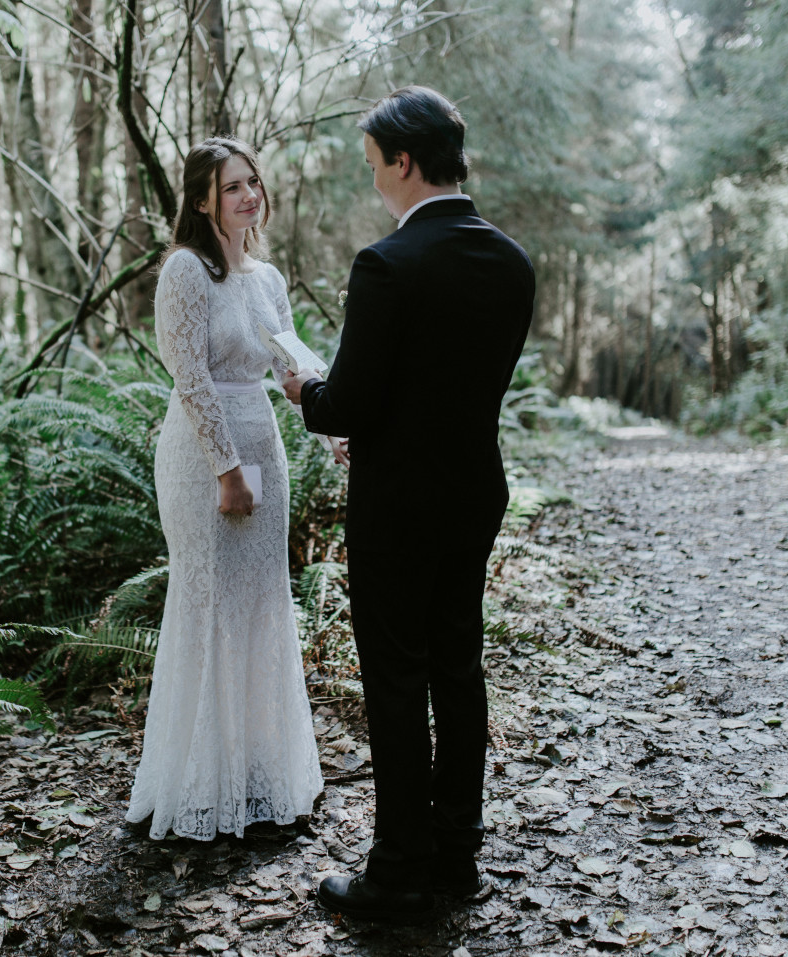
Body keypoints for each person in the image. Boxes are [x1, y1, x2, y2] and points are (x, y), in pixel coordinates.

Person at [281, 86, 535, 921]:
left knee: (395, 677)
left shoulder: (387, 263)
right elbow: (453, 388)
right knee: (458, 668)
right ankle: (456, 856)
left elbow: (348, 402)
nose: (373, 183)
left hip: (396, 504)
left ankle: (395, 870)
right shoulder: (509, 261)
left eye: (373, 166)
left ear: (403, 160)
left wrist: (304, 390)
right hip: (472, 492)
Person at [126, 136, 338, 841]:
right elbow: (189, 379)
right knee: (211, 601)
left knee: (259, 602)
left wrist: (333, 428)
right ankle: (195, 782)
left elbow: (291, 367)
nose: (249, 195)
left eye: (253, 182)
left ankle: (255, 772)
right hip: (202, 453)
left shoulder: (269, 278)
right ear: (201, 199)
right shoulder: (185, 271)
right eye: (233, 186)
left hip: (264, 445)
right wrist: (225, 470)